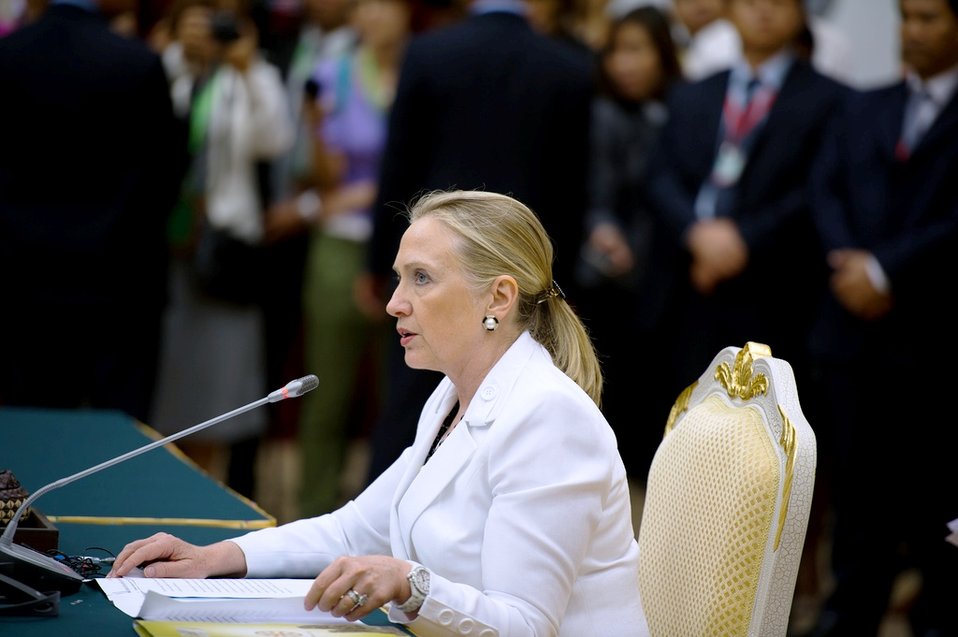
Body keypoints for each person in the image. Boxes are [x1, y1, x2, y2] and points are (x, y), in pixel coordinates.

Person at [109, 190, 649, 637]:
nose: (394, 303)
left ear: (499, 298)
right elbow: (352, 532)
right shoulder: (450, 397)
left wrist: (410, 583)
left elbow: (527, 625)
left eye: (421, 278)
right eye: (398, 277)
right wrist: (213, 558)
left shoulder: (549, 418)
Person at [358, 0, 595, 486]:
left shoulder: (429, 52)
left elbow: (397, 167)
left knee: (408, 402)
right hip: (522, 275)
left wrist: (383, 266)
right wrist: (551, 284)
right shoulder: (568, 68)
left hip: (434, 263)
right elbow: (573, 194)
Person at [804, 0, 958, 635]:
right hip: (854, 344)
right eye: (906, 18)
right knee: (858, 512)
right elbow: (826, 187)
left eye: (929, 19)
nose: (912, 32)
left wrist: (887, 270)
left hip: (937, 343)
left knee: (936, 516)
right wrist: (853, 265)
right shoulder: (865, 104)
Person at [641, 0, 846, 422]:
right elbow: (659, 175)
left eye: (778, 3)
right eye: (751, 2)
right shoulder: (693, 92)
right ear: (730, 11)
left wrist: (743, 238)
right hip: (688, 280)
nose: (764, 12)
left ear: (802, 13)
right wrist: (697, 235)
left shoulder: (831, 99)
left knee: (760, 431)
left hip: (773, 287)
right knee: (681, 420)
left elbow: (815, 190)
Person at [0, 0, 183, 423]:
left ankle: (23, 495)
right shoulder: (137, 63)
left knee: (30, 440)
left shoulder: (9, 57)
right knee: (119, 443)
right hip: (120, 289)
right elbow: (166, 176)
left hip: (24, 287)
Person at [290, 0, 413, 517]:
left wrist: (366, 195)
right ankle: (313, 512)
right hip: (342, 244)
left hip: (410, 243)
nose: (374, 15)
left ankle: (393, 516)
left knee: (404, 391)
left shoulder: (422, 69)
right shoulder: (330, 75)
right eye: (365, 5)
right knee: (328, 389)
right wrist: (316, 131)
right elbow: (318, 174)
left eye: (385, 5)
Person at [576, 4, 681, 481]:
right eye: (616, 50)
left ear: (663, 55)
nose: (625, 63)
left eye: (637, 50)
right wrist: (602, 230)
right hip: (604, 278)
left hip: (664, 276)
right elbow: (589, 191)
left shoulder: (680, 110)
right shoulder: (599, 112)